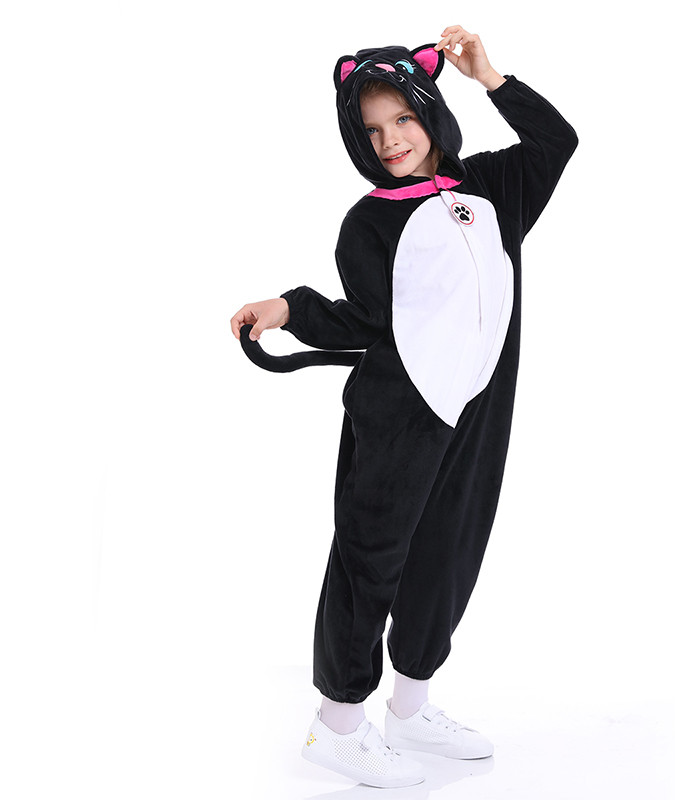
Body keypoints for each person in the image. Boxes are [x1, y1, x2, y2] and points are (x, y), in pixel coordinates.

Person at [230, 25, 578, 788]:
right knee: (370, 558)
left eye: (403, 119)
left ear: (430, 113)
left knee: (448, 553)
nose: (390, 141)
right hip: (398, 416)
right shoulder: (368, 222)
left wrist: (490, 76)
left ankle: (411, 709)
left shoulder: (491, 190)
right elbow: (363, 321)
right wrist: (289, 309)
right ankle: (336, 726)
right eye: (372, 130)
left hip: (477, 409)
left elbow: (558, 140)